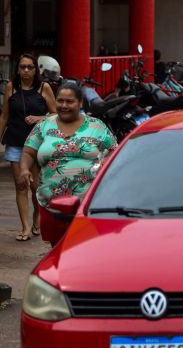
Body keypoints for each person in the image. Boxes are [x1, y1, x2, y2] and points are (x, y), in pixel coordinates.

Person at [17, 83, 116, 242]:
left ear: (80, 103)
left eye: (69, 102)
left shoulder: (96, 126)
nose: (64, 106)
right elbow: (28, 151)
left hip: (87, 205)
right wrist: (24, 169)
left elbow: (114, 151)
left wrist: (105, 164)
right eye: (60, 101)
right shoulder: (44, 125)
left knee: (83, 247)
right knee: (57, 249)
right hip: (51, 205)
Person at [0, 54, 57, 241]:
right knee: (20, 186)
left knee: (35, 187)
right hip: (15, 141)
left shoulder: (44, 88)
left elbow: (55, 114)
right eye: (22, 67)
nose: (26, 70)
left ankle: (36, 216)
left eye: (30, 67)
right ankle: (25, 226)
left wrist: (39, 118)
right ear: (17, 69)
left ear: (36, 70)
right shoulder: (11, 87)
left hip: (36, 145)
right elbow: (4, 116)